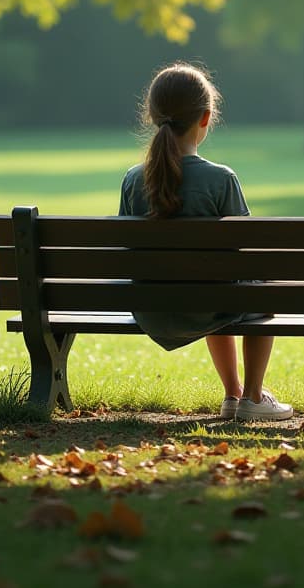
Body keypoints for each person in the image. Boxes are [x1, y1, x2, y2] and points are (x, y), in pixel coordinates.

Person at [118, 62, 293, 422]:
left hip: (151, 310)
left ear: (152, 117)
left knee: (222, 287)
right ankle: (253, 397)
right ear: (205, 118)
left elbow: (127, 253)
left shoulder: (133, 181)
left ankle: (233, 392)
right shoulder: (220, 179)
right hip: (208, 305)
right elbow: (244, 258)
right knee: (252, 289)